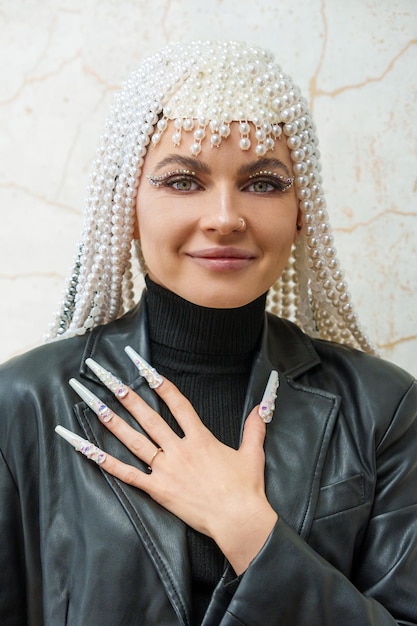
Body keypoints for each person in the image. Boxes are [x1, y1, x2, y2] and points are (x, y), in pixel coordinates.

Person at [0, 40, 416, 626]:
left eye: (265, 183)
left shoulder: (384, 409)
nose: (225, 216)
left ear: (302, 213)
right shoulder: (22, 403)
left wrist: (248, 529)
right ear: (128, 206)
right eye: (182, 181)